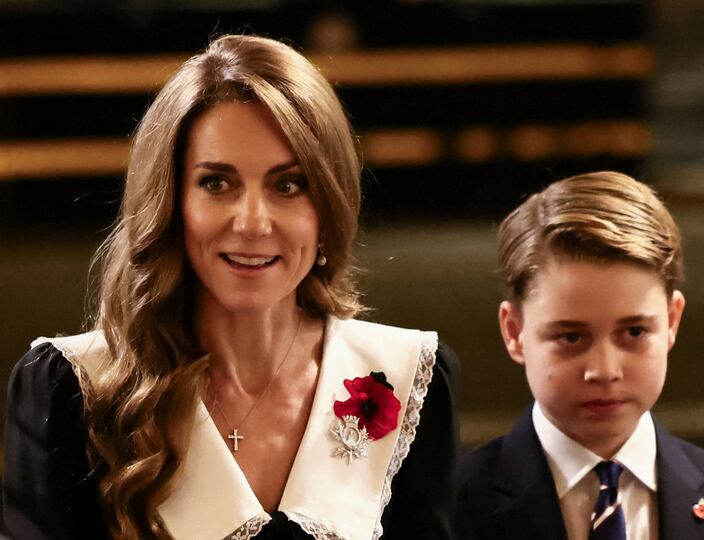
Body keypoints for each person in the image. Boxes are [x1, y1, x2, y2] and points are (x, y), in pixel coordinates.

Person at [3, 34, 459, 540]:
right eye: (217, 183)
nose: (253, 222)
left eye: (288, 185)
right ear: (171, 202)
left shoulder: (407, 376)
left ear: (328, 207)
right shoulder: (73, 389)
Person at [455, 171, 704, 539]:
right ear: (514, 332)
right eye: (570, 336)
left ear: (672, 320)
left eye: (634, 332)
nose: (604, 370)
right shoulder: (450, 511)